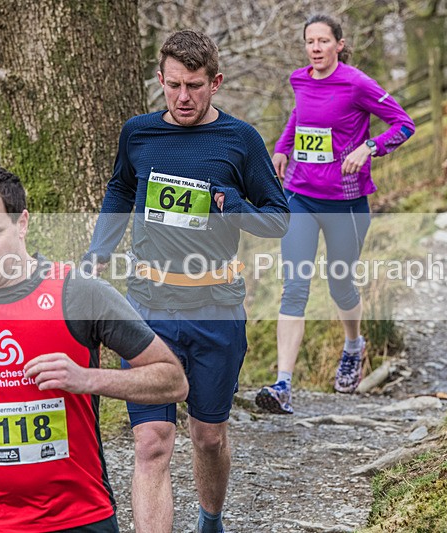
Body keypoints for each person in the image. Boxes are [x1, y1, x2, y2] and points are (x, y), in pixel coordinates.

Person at [0, 163, 188, 533]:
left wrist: (87, 378)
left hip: (80, 517)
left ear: (22, 223)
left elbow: (173, 381)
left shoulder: (79, 293)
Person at [84, 30, 288, 533]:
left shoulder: (240, 141)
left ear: (215, 83)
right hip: (149, 306)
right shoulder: (138, 133)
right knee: (152, 441)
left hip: (215, 305)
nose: (183, 97)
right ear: (160, 80)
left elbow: (278, 220)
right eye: (173, 85)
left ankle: (211, 519)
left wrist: (231, 204)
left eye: (194, 85)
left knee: (208, 437)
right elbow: (120, 186)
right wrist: (99, 252)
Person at [255, 14, 415, 415]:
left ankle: (353, 345)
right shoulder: (299, 78)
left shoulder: (357, 83)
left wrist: (370, 148)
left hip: (345, 201)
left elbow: (404, 124)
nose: (316, 48)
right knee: (295, 287)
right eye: (310, 41)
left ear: (339, 44)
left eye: (324, 41)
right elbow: (300, 116)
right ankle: (283, 384)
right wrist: (281, 147)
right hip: (300, 195)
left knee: (340, 285)